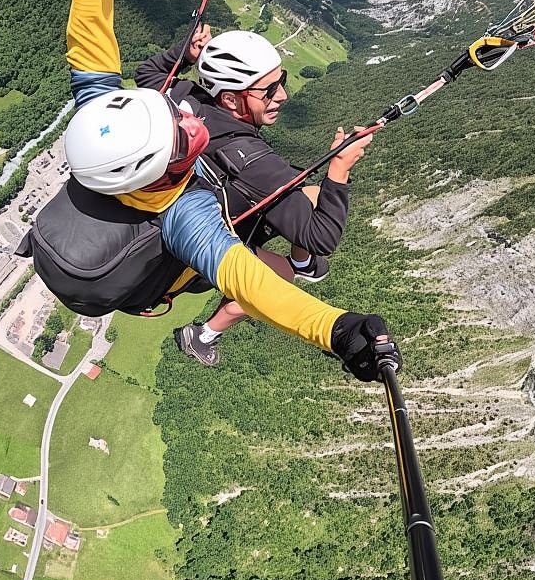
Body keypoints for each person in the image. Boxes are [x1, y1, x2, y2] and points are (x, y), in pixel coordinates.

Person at [19, 0, 399, 383]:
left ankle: (243, 300)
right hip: (153, 276)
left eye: (171, 113)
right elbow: (251, 282)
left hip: (93, 231)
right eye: (181, 137)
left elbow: (89, 30)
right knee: (286, 260)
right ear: (166, 170)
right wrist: (336, 330)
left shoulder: (103, 114)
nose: (189, 121)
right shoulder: (183, 213)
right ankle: (208, 331)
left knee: (289, 223)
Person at [135, 27, 375, 366]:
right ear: (231, 99)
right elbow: (322, 237)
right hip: (198, 252)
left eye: (282, 81)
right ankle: (203, 335)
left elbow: (149, 75)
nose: (283, 95)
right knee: (281, 275)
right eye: (269, 89)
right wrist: (340, 168)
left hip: (193, 210)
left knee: (308, 191)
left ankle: (303, 263)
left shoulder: (186, 100)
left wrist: (184, 54)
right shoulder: (249, 159)